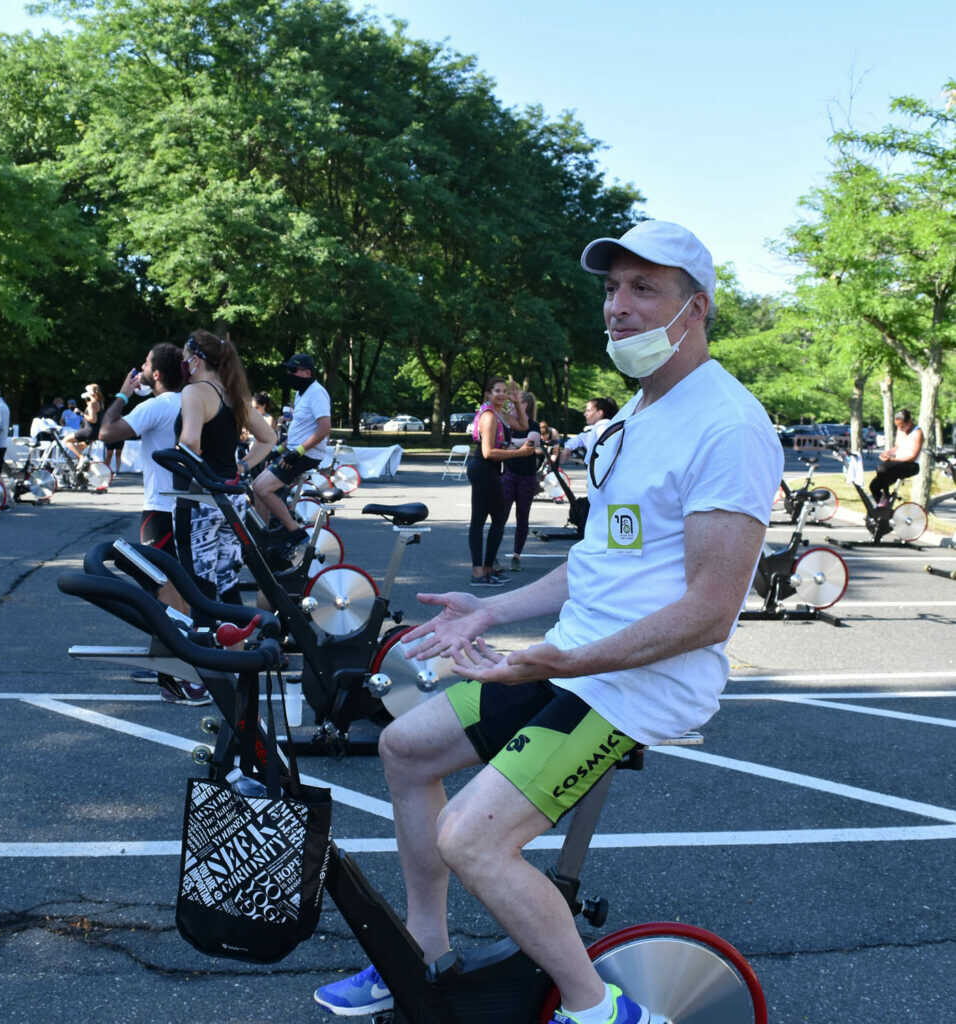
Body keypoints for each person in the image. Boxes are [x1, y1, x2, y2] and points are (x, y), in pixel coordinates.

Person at [313, 221, 783, 1023]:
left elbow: (708, 613)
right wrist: (494, 608)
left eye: (644, 289)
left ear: (695, 308)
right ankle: (422, 957)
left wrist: (557, 664)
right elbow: (598, 565)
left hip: (638, 686)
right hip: (576, 662)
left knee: (472, 838)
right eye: (611, 289)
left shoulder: (728, 427)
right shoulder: (634, 415)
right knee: (404, 747)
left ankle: (598, 1009)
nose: (619, 307)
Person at [100, 343, 201, 704]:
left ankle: (177, 675)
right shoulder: (191, 402)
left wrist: (122, 394)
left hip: (160, 510)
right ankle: (166, 662)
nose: (140, 368)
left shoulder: (157, 405)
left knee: (162, 591)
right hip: (186, 507)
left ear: (156, 374)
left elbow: (106, 432)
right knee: (172, 588)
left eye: (145, 364)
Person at [174, 330, 275, 605]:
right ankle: (236, 645)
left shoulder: (194, 392)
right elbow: (269, 438)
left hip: (200, 497)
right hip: (232, 498)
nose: (183, 363)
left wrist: (177, 454)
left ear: (195, 360)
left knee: (201, 584)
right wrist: (241, 467)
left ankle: (205, 642)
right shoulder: (234, 395)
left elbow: (190, 441)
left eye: (185, 357)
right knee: (227, 580)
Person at [251, 353, 331, 550]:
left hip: (306, 455)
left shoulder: (317, 393)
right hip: (294, 451)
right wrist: (277, 450)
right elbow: (299, 430)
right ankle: (264, 534)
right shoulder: (301, 393)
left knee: (263, 488)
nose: (289, 374)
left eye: (293, 370)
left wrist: (298, 453)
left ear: (307, 372)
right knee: (256, 486)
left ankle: (295, 532)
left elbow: (324, 428)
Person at [466, 377, 533, 586]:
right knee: (482, 521)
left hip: (492, 470)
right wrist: (519, 454)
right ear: (488, 394)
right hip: (483, 468)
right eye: (497, 391)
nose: (502, 394)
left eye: (505, 391)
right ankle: (479, 572)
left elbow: (523, 424)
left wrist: (515, 403)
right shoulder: (489, 417)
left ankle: (487, 568)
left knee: (497, 520)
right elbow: (487, 452)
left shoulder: (500, 414)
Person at [501, 390, 541, 572]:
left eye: (513, 404)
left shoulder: (534, 425)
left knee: (522, 517)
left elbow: (532, 444)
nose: (510, 407)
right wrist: (522, 444)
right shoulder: (507, 426)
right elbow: (505, 444)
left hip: (527, 477)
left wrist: (513, 444)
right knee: (500, 515)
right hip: (508, 473)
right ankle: (492, 555)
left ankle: (516, 555)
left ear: (524, 405)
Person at [869, 408, 922, 505]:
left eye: (902, 426)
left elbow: (913, 457)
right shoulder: (900, 430)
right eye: (898, 426)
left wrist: (893, 459)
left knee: (882, 468)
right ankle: (883, 510)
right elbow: (897, 447)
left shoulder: (917, 433)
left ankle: (886, 495)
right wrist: (887, 453)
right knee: (874, 486)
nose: (900, 429)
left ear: (909, 422)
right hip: (897, 464)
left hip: (911, 465)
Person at [558, 397, 618, 464]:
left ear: (599, 413)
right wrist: (568, 448)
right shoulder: (597, 428)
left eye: (588, 411)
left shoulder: (603, 427)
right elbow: (581, 438)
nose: (585, 414)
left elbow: (609, 445)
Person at [67, 384, 104, 456]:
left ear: (91, 393)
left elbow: (93, 420)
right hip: (96, 432)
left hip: (89, 431)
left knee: (66, 440)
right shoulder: (100, 402)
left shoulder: (92, 403)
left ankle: (82, 458)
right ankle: (82, 465)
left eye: (87, 391)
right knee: (79, 448)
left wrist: (80, 413)